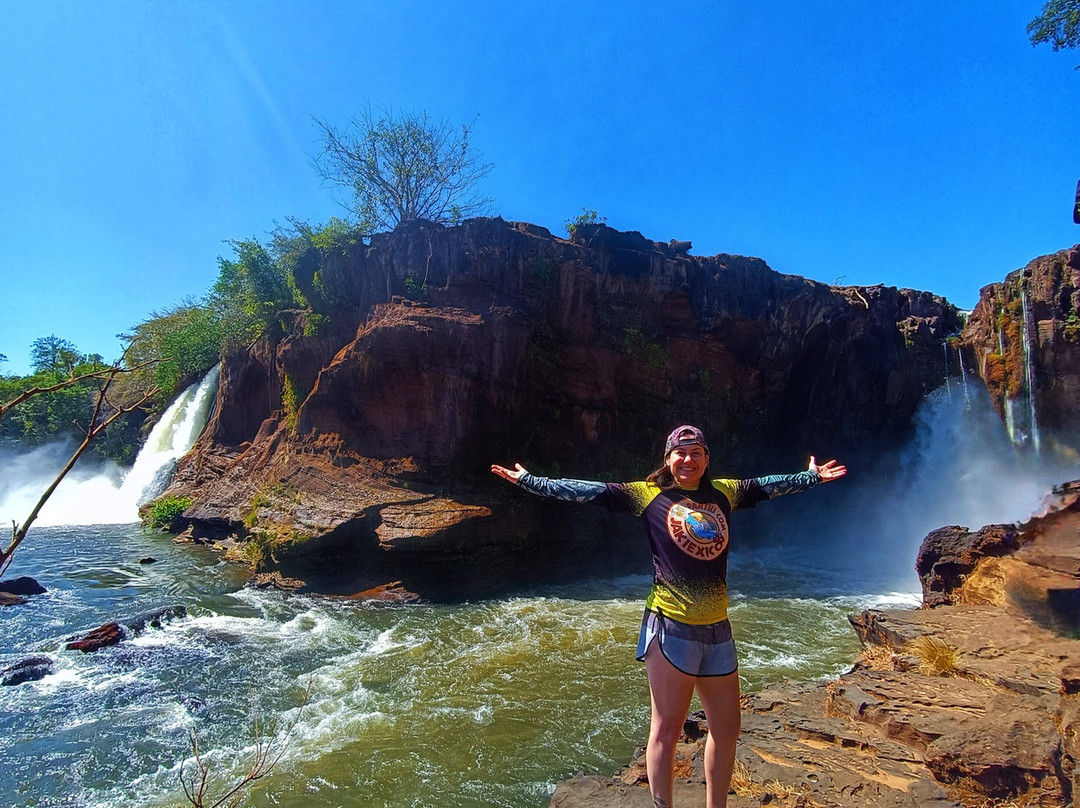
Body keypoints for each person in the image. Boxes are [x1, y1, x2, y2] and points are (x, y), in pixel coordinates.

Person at [491, 425, 846, 808]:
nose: (688, 459)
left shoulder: (724, 492)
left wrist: (811, 477)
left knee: (727, 730)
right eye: (681, 453)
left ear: (706, 459)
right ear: (668, 459)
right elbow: (589, 491)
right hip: (670, 626)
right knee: (666, 731)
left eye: (696, 453)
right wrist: (531, 481)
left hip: (717, 630)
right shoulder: (648, 495)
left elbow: (766, 485)